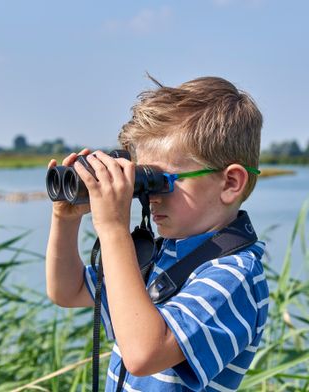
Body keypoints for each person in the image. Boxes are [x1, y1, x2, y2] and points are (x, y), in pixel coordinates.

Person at [46, 75, 269, 391]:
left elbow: (144, 354)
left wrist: (113, 231)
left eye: (164, 180)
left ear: (230, 183)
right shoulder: (162, 253)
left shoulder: (234, 277)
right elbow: (67, 292)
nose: (150, 196)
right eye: (144, 179)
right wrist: (65, 219)